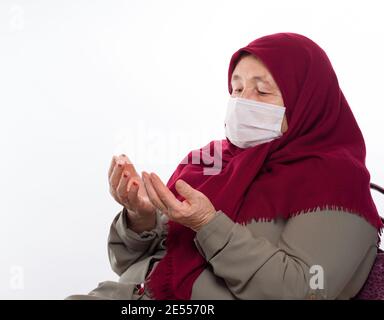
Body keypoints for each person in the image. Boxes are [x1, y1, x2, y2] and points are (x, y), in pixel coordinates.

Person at [66, 32, 383, 300]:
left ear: (307, 101)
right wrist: (141, 218)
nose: (244, 101)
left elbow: (303, 290)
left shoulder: (336, 183)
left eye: (262, 90)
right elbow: (131, 264)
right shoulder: (210, 163)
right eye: (237, 88)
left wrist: (207, 224)